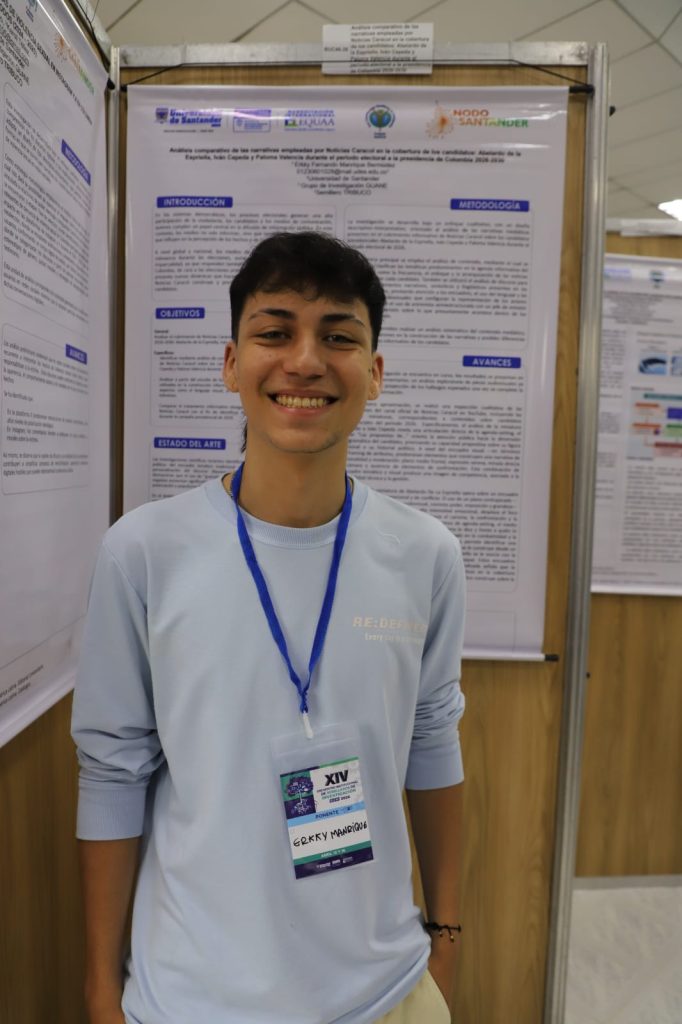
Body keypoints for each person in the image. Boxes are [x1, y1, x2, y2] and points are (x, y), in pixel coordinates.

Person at [72, 231, 466, 1024]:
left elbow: (432, 742)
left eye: (339, 337)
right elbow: (113, 772)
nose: (305, 361)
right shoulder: (144, 552)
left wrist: (447, 939)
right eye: (275, 332)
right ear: (232, 363)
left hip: (385, 991)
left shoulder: (425, 553)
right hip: (193, 998)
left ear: (375, 372)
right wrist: (99, 983)